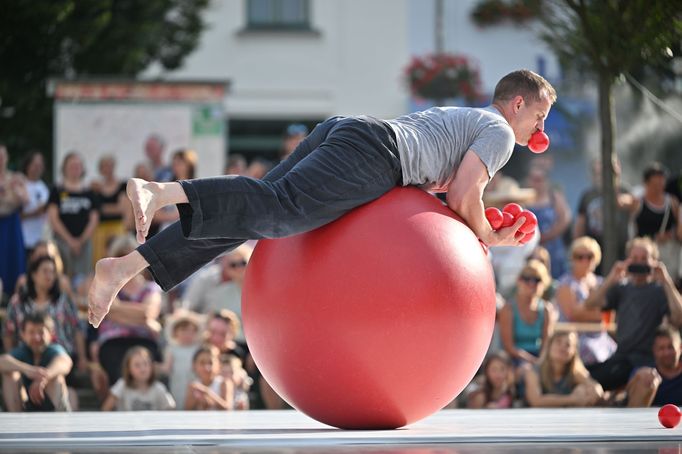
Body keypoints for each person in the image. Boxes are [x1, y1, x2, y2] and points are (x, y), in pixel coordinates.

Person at [88, 69, 556, 328]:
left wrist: (479, 224)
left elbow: (451, 194)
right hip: (375, 154)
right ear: (518, 104)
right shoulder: (500, 132)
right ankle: (163, 191)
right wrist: (489, 237)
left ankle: (126, 267)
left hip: (350, 131)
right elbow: (464, 191)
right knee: (280, 212)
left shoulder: (469, 117)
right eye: (539, 117)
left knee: (247, 218)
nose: (540, 132)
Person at [584, 237, 682, 391]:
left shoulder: (659, 290)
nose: (639, 262)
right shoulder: (622, 288)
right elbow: (590, 304)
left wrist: (666, 281)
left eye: (644, 258)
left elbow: (679, 316)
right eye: (635, 258)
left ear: (653, 260)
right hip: (621, 357)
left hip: (646, 359)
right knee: (588, 379)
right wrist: (611, 278)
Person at [95, 234, 163, 385]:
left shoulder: (151, 288)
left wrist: (118, 312)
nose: (124, 261)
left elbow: (147, 314)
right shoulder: (107, 285)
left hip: (143, 340)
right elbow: (108, 311)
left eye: (129, 256)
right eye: (120, 256)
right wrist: (139, 317)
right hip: (113, 341)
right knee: (118, 375)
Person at [4, 256, 88, 376]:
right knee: (9, 374)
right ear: (33, 275)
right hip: (25, 357)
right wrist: (13, 358)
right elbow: (8, 332)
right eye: (45, 271)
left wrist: (82, 357)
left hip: (59, 355)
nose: (49, 276)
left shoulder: (63, 300)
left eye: (52, 272)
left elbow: (77, 329)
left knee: (56, 376)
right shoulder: (18, 301)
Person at [554, 237, 616, 366]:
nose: (585, 260)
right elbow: (573, 315)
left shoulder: (600, 282)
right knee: (591, 353)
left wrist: (585, 310)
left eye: (589, 256)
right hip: (575, 338)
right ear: (572, 259)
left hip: (601, 337)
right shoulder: (565, 284)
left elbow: (609, 318)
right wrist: (599, 313)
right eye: (579, 256)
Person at [0, 312, 72, 412]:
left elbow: (65, 362)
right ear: (23, 334)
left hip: (53, 404)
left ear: (51, 334)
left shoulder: (54, 349)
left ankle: (56, 421)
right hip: (25, 403)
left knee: (57, 378)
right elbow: (2, 361)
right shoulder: (22, 351)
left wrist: (44, 378)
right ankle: (15, 419)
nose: (36, 337)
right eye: (31, 332)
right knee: (9, 375)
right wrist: (27, 370)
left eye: (41, 332)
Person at [181, 244, 253, 341]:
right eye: (233, 265)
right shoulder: (220, 291)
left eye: (243, 263)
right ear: (226, 268)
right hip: (231, 343)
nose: (239, 268)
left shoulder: (263, 287)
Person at [573, 158, 633, 270]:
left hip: (619, 252)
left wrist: (613, 183)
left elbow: (623, 203)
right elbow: (579, 226)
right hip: (592, 254)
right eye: (599, 173)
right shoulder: (588, 195)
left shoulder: (625, 191)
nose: (603, 176)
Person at [47, 152, 100, 280]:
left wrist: (81, 240)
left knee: (83, 278)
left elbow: (94, 218)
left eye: (78, 166)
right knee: (62, 275)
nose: (75, 169)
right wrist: (70, 240)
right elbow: (53, 218)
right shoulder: (57, 191)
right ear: (64, 168)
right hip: (61, 242)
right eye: (71, 166)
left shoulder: (89, 192)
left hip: (84, 243)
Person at [499, 259, 555, 368]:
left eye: (536, 280)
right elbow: (509, 347)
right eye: (526, 279)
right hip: (514, 360)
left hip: (540, 359)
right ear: (519, 281)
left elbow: (546, 343)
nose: (531, 283)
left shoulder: (546, 309)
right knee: (528, 371)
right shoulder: (508, 308)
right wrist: (532, 361)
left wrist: (540, 361)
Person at [523, 331, 603, 407]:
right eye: (558, 342)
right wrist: (573, 399)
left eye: (568, 345)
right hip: (533, 419)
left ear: (574, 352)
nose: (562, 347)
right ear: (549, 346)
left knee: (582, 389)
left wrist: (587, 394)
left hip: (565, 418)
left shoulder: (574, 372)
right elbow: (536, 401)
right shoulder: (533, 371)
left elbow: (596, 387)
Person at [632, 163, 682, 284]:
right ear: (646, 184)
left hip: (669, 258)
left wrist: (671, 234)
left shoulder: (672, 202)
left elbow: (680, 231)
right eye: (655, 185)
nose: (659, 188)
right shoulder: (638, 202)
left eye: (661, 184)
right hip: (645, 257)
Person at [525, 165, 572, 279]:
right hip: (530, 250)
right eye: (533, 179)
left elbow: (565, 218)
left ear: (546, 181)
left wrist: (547, 236)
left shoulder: (554, 197)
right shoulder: (523, 198)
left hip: (553, 249)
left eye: (539, 180)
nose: (536, 183)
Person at [101, 346, 175, 411]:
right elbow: (106, 408)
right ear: (128, 369)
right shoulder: (122, 385)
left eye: (146, 364)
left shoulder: (159, 388)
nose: (142, 369)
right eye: (137, 365)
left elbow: (171, 408)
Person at [0, 143, 28, 297]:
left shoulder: (15, 178)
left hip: (11, 225)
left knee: (13, 259)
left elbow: (25, 199)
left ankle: (14, 295)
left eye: (2, 157)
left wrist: (12, 192)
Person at [159, 310, 202, 409]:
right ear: (175, 332)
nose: (188, 334)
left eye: (191, 331)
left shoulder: (198, 348)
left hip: (193, 381)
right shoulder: (171, 349)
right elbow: (167, 368)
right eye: (184, 330)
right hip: (177, 381)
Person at [91, 155, 127, 263]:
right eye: (104, 166)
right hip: (100, 229)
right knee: (100, 258)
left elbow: (121, 208)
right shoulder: (95, 188)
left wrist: (102, 207)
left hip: (117, 227)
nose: (107, 169)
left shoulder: (121, 185)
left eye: (109, 165)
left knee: (118, 256)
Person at [20, 151, 50, 258]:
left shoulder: (43, 187)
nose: (38, 168)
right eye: (35, 165)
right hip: (22, 237)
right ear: (27, 166)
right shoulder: (20, 183)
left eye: (40, 165)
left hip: (39, 238)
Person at [185, 345, 233, 410]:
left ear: (218, 364)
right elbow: (187, 409)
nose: (207, 367)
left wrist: (207, 392)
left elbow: (228, 408)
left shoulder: (224, 383)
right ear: (194, 365)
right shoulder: (193, 386)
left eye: (211, 363)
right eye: (202, 363)